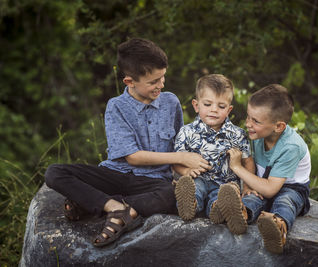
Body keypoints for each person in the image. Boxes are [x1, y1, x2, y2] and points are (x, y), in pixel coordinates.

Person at [45, 38, 211, 247]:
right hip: (115, 175)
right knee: (55, 172)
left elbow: (177, 145)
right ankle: (116, 207)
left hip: (152, 182)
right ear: (129, 82)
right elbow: (132, 157)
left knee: (172, 194)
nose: (161, 85)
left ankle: (97, 204)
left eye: (163, 78)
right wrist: (182, 157)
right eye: (153, 82)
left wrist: (184, 169)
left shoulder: (171, 102)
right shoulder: (116, 107)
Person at [226, 84, 311, 254]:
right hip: (262, 183)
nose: (248, 124)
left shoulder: (291, 146)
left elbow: (271, 190)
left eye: (255, 121)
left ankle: (278, 227)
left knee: (284, 202)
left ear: (278, 126)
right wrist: (248, 188)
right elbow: (252, 168)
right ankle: (242, 214)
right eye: (248, 117)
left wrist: (236, 167)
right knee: (253, 198)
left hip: (291, 188)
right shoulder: (257, 134)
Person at [173, 74, 255, 235]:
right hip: (198, 178)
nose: (214, 110)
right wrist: (185, 172)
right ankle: (191, 205)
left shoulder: (238, 135)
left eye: (221, 106)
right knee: (194, 188)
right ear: (196, 106)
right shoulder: (187, 132)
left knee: (222, 196)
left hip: (225, 185)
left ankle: (219, 209)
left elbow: (248, 162)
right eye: (208, 104)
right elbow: (177, 160)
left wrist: (247, 186)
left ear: (229, 109)